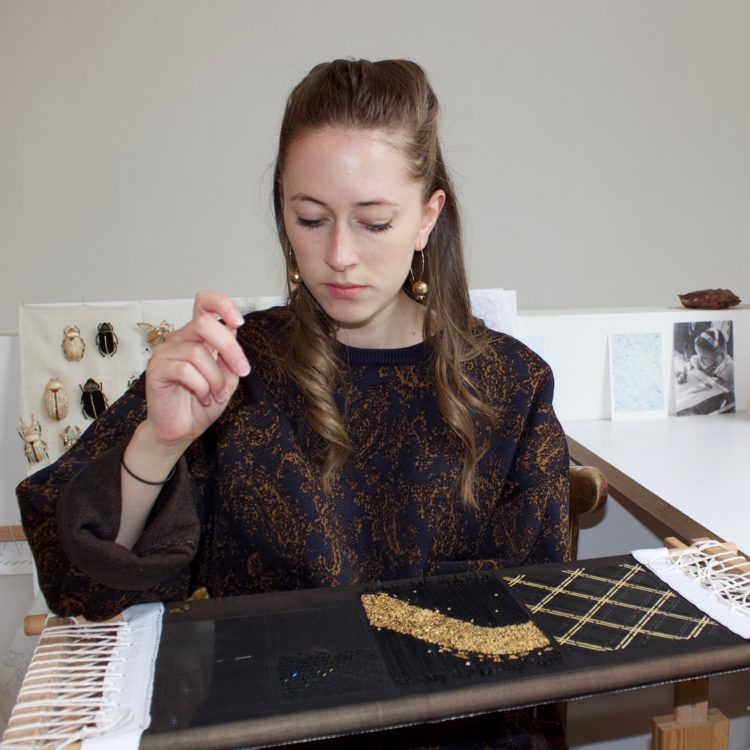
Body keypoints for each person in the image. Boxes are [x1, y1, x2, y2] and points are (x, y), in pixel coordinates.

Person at [17, 59, 569, 748]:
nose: (338, 255)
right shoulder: (234, 369)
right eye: (310, 218)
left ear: (428, 218)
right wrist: (159, 446)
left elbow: (541, 644)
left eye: (373, 223)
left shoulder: (511, 388)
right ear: (282, 207)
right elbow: (82, 590)